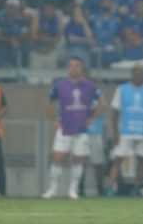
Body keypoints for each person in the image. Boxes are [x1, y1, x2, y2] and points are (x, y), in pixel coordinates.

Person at [43, 57, 102, 200]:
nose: (74, 68)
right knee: (57, 157)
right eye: (71, 66)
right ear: (67, 68)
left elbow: (101, 103)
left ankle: (73, 190)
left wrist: (91, 119)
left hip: (81, 129)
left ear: (82, 69)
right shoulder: (59, 85)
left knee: (78, 159)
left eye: (77, 66)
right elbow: (49, 102)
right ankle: (52, 189)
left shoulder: (90, 86)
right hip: (65, 128)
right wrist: (55, 120)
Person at [106, 64, 143, 195]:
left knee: (141, 160)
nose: (139, 76)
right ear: (132, 74)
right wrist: (114, 133)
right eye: (137, 73)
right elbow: (114, 112)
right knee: (118, 159)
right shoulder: (122, 89)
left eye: (142, 74)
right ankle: (110, 188)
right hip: (125, 131)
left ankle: (136, 188)